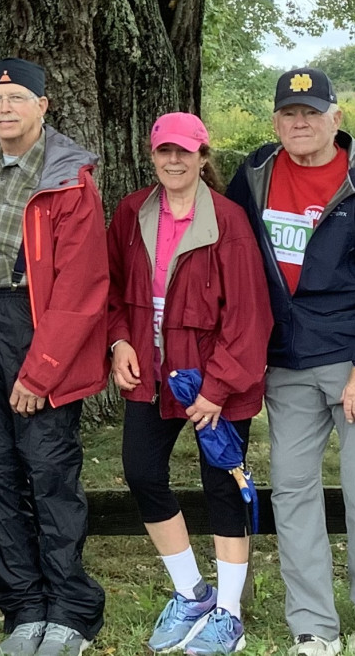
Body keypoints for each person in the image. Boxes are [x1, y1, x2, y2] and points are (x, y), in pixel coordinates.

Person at [227, 68, 355, 656]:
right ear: (275, 122)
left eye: (311, 112)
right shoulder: (254, 177)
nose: (300, 123)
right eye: (289, 113)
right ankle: (313, 624)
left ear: (336, 117)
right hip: (286, 364)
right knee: (291, 492)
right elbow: (229, 256)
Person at [0, 58, 109, 656]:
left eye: (18, 98)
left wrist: (42, 370)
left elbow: (82, 286)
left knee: (48, 469)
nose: (5, 109)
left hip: (37, 322)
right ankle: (22, 607)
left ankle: (70, 608)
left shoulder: (68, 179)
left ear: (42, 106)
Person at [106, 112, 272, 655]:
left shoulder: (228, 221)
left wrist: (217, 388)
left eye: (184, 151)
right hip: (155, 375)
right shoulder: (133, 212)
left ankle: (229, 613)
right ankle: (192, 593)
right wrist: (119, 341)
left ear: (203, 157)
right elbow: (111, 287)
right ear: (152, 156)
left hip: (215, 378)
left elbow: (249, 316)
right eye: (164, 151)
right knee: (141, 471)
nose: (173, 160)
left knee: (222, 485)